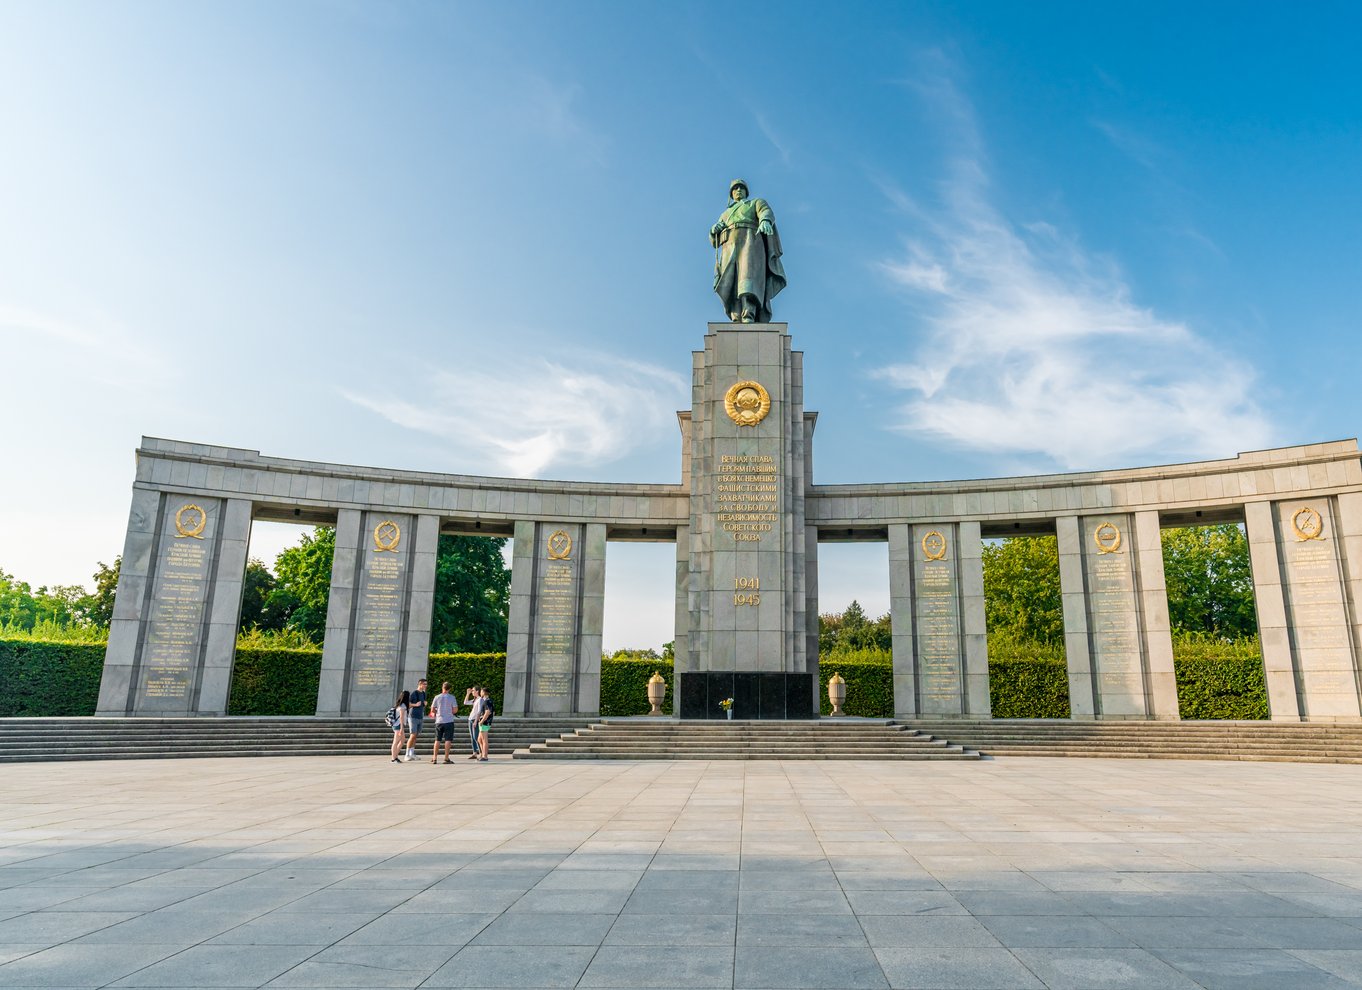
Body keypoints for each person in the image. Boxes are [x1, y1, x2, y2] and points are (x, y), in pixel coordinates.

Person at [709, 179, 785, 323]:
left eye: (741, 188)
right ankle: (735, 314)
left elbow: (765, 211)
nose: (738, 190)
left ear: (746, 192)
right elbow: (714, 242)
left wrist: (765, 220)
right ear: (731, 193)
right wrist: (713, 231)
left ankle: (748, 312)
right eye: (735, 188)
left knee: (748, 278)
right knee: (731, 281)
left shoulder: (755, 202)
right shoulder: (725, 214)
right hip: (729, 246)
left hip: (750, 241)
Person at [429, 681, 459, 764]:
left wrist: (438, 711)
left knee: (437, 739)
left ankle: (434, 758)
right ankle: (446, 758)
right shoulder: (452, 697)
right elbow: (455, 710)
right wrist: (450, 712)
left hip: (439, 720)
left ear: (442, 687)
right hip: (449, 720)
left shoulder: (437, 697)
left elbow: (432, 709)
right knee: (448, 739)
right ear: (449, 689)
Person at [405, 679, 427, 762]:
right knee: (413, 735)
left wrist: (425, 703)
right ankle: (407, 754)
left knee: (416, 736)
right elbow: (408, 704)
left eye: (426, 684)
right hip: (413, 716)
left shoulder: (423, 693)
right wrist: (415, 704)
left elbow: (422, 703)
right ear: (420, 684)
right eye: (424, 684)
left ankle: (412, 753)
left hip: (420, 716)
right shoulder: (414, 693)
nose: (426, 686)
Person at [464, 685, 484, 760]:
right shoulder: (474, 700)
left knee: (476, 737)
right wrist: (467, 694)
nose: (472, 692)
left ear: (477, 691)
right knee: (472, 737)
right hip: (470, 719)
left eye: (473, 690)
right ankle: (474, 753)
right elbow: (465, 702)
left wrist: (476, 721)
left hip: (475, 720)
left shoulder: (480, 700)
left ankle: (481, 753)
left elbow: (479, 711)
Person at [389, 690, 410, 763]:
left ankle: (395, 756)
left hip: (398, 725)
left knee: (402, 740)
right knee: (396, 741)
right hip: (398, 725)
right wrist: (401, 728)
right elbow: (401, 717)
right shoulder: (402, 706)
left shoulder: (400, 705)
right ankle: (393, 758)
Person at [477, 687, 495, 762]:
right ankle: (482, 754)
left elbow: (488, 712)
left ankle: (485, 756)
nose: (480, 693)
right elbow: (493, 712)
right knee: (479, 739)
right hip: (486, 722)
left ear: (484, 692)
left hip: (484, 722)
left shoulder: (487, 701)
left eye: (481, 691)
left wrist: (482, 721)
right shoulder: (489, 701)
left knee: (484, 740)